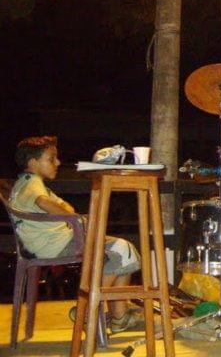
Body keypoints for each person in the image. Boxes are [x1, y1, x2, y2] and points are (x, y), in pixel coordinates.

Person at [9, 136, 142, 333]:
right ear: (32, 162)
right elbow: (44, 203)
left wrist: (69, 213)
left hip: (50, 243)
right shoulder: (32, 183)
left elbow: (65, 206)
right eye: (51, 158)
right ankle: (87, 309)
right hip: (55, 245)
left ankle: (119, 317)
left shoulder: (24, 182)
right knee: (122, 250)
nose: (57, 163)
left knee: (124, 251)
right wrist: (74, 219)